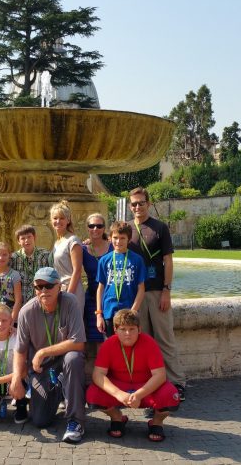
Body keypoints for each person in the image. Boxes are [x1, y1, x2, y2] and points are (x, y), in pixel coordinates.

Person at [10, 267, 86, 443]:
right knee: (39, 420)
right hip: (42, 367)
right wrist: (16, 378)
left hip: (65, 359)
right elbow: (20, 350)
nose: (43, 291)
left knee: (73, 359)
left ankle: (76, 421)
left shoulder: (70, 302)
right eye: (39, 287)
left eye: (49, 286)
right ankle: (59, 390)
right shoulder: (26, 311)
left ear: (59, 286)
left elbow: (79, 342)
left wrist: (43, 351)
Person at [127, 187, 186, 401]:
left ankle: (177, 382)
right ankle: (149, 383)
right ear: (129, 206)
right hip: (137, 294)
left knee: (165, 338)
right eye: (133, 204)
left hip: (157, 290)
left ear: (148, 204)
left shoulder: (160, 227)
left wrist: (166, 290)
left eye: (141, 203)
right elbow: (110, 244)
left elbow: (168, 260)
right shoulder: (126, 229)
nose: (137, 207)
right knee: (143, 341)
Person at [86, 309, 180, 441]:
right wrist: (119, 393)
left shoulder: (149, 343)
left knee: (172, 395)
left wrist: (139, 394)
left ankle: (156, 422)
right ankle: (117, 417)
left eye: (132, 329)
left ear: (139, 329)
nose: (127, 334)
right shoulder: (108, 345)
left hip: (146, 387)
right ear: (115, 329)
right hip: (120, 385)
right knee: (92, 394)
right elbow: (98, 375)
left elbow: (160, 375)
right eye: (123, 329)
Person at [96, 222, 146, 337]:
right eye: (115, 238)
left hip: (129, 311)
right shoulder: (104, 260)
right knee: (111, 346)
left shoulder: (137, 260)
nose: (118, 241)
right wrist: (99, 314)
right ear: (110, 238)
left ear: (129, 239)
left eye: (122, 238)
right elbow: (101, 288)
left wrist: (133, 311)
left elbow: (141, 288)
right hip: (109, 311)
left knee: (129, 345)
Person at [50, 201, 85, 314]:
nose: (58, 221)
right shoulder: (57, 242)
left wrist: (69, 294)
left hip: (72, 290)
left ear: (68, 220)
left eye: (62, 218)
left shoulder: (72, 240)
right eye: (55, 218)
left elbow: (77, 270)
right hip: (59, 289)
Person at [81, 214, 111, 344]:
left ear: (104, 228)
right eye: (91, 226)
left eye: (99, 226)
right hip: (92, 298)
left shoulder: (113, 247)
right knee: (94, 339)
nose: (95, 229)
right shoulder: (82, 249)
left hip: (110, 298)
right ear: (87, 229)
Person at [10, 225, 51, 304]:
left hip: (40, 301)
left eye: (29, 237)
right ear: (18, 241)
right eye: (23, 238)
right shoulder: (14, 258)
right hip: (21, 303)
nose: (26, 240)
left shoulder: (45, 255)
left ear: (34, 237)